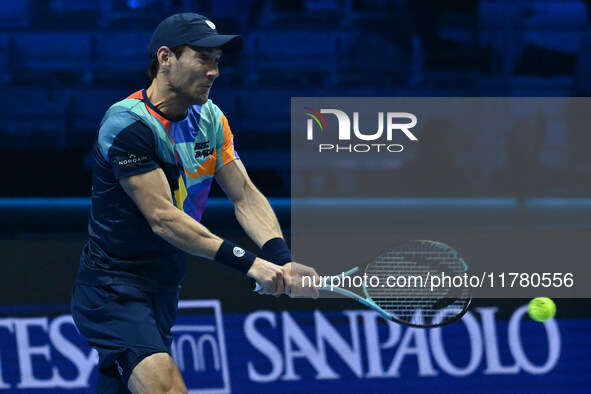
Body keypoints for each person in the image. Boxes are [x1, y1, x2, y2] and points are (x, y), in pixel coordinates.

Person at [71, 13, 319, 393]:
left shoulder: (210, 119)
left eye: (217, 60)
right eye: (203, 57)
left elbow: (245, 195)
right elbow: (163, 219)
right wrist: (251, 264)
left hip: (164, 286)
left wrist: (281, 257)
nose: (214, 71)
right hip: (112, 287)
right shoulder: (127, 125)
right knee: (167, 388)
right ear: (166, 57)